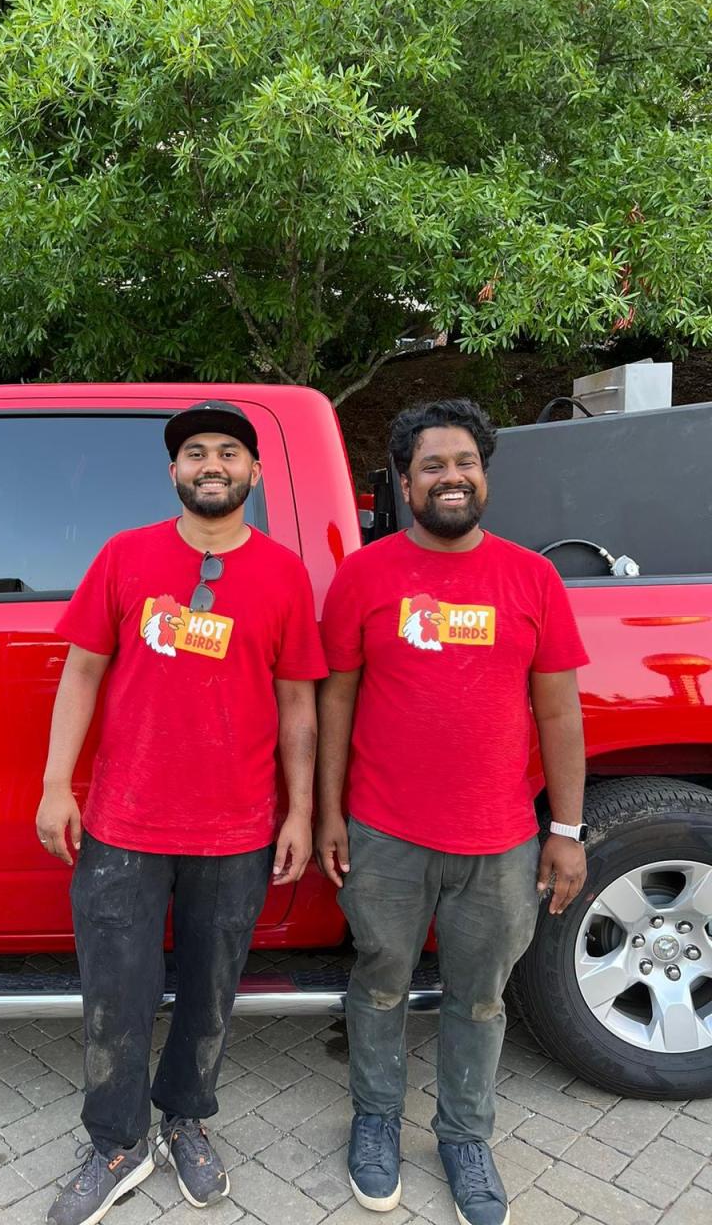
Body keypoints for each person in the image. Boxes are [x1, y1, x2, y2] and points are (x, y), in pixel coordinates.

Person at [36, 400, 326, 1225]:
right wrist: (59, 785)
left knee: (210, 992)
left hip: (237, 829)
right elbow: (82, 674)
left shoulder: (282, 573)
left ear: (254, 474)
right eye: (195, 453)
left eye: (228, 453)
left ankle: (187, 1121)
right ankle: (117, 1143)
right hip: (124, 823)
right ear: (174, 472)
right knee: (114, 996)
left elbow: (298, 705)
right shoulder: (126, 557)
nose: (211, 465)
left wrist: (299, 812)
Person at [315, 399, 589, 1225]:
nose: (451, 477)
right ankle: (375, 1121)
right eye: (431, 465)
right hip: (385, 834)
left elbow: (561, 713)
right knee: (381, 982)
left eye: (464, 462)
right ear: (403, 482)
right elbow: (336, 704)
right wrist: (329, 813)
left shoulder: (531, 577)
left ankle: (465, 1137)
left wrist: (567, 831)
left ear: (484, 474)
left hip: (500, 841)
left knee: (479, 997)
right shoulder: (363, 578)